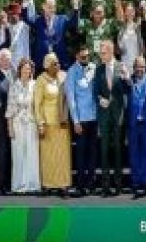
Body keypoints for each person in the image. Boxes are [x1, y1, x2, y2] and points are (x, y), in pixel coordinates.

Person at [34, 53, 71, 195]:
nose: (57, 65)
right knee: (48, 155)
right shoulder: (41, 80)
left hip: (62, 122)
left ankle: (63, 185)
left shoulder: (64, 76)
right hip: (48, 123)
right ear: (47, 66)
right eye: (54, 63)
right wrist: (40, 123)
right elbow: (37, 104)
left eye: (58, 62)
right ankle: (48, 185)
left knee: (62, 155)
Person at [124, 55, 146, 198]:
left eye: (143, 66)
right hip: (133, 123)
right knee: (134, 153)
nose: (140, 69)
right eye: (138, 66)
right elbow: (122, 89)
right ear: (134, 67)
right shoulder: (129, 79)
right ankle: (136, 181)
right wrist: (125, 79)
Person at [93, 39, 125, 196]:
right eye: (100, 52)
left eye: (103, 52)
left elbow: (129, 89)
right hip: (104, 115)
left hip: (118, 114)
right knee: (104, 149)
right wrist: (100, 99)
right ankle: (105, 185)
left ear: (111, 51)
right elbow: (94, 92)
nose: (101, 54)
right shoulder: (98, 69)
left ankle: (118, 183)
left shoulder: (121, 66)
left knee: (118, 149)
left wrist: (127, 79)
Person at [22, 0, 81, 71]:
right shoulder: (38, 20)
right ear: (44, 6)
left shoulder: (62, 19)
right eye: (49, 7)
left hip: (60, 63)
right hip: (41, 64)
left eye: (54, 7)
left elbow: (74, 23)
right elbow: (25, 18)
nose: (52, 9)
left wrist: (76, 7)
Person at [65, 45, 98, 195]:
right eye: (83, 57)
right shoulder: (72, 72)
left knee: (92, 152)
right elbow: (71, 99)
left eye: (88, 56)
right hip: (81, 120)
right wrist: (76, 121)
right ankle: (80, 184)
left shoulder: (93, 67)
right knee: (80, 153)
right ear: (77, 56)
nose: (86, 59)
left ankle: (91, 182)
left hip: (94, 117)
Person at [6, 57, 40, 194]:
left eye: (29, 69)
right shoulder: (14, 85)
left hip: (32, 123)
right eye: (24, 68)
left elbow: (38, 106)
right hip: (18, 124)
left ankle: (32, 184)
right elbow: (10, 108)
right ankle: (19, 184)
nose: (27, 71)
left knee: (32, 153)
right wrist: (10, 128)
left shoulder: (35, 84)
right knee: (19, 154)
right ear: (19, 70)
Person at [0, 48, 15, 194]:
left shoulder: (14, 75)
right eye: (4, 58)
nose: (6, 61)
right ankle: (2, 184)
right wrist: (9, 119)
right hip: (3, 123)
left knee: (13, 153)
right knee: (3, 153)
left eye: (8, 58)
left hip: (17, 122)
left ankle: (13, 181)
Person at [114, 0, 145, 74]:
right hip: (124, 64)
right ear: (125, 12)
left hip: (137, 65)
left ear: (135, 12)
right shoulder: (120, 28)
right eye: (128, 11)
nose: (130, 13)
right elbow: (117, 48)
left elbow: (142, 47)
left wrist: (141, 62)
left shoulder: (138, 27)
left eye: (132, 11)